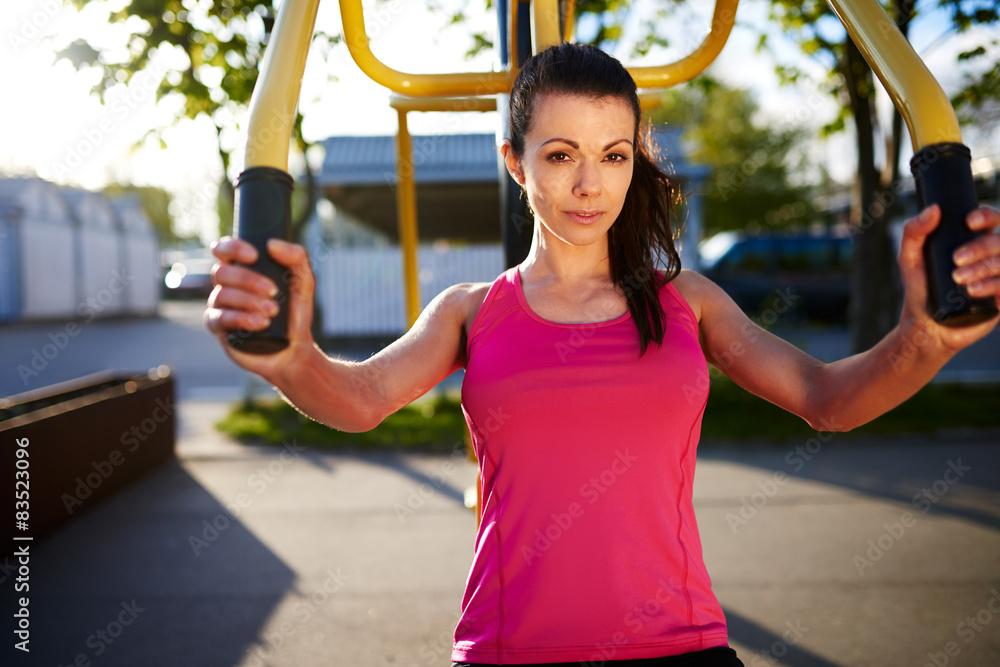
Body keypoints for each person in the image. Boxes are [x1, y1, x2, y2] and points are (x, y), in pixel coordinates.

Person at [205, 43, 1000, 667]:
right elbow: (359, 397)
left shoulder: (687, 300)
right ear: (514, 161)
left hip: (680, 647)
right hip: (512, 651)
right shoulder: (471, 312)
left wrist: (925, 337)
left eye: (614, 155)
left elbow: (829, 398)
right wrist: (287, 356)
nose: (591, 185)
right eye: (560, 155)